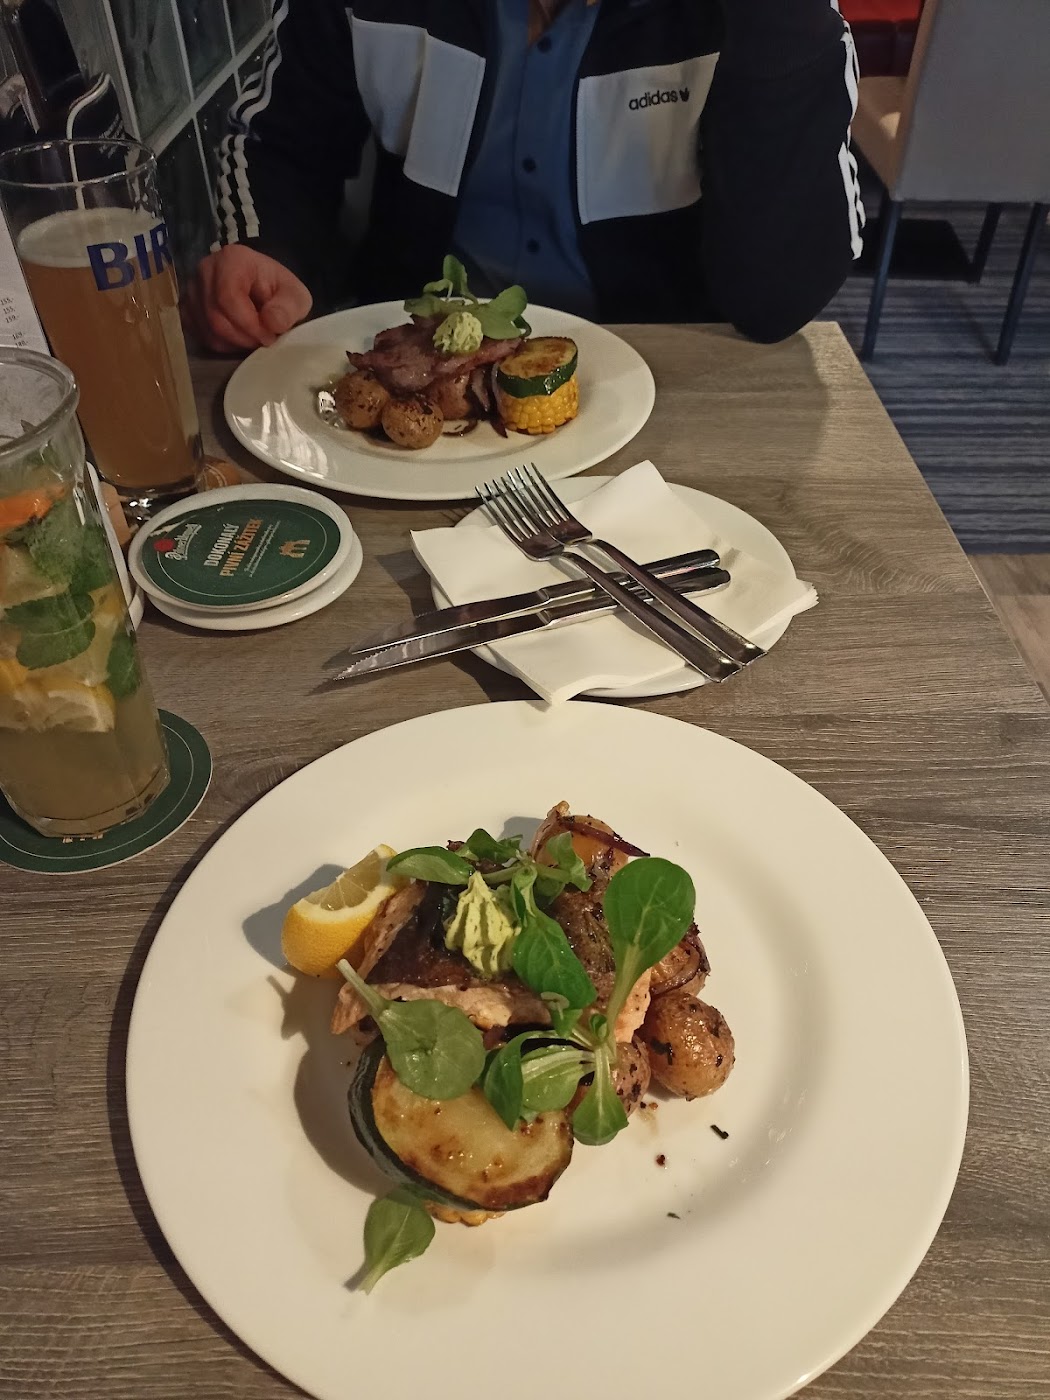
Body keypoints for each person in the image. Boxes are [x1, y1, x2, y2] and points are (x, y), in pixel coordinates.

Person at [186, 0, 865, 353]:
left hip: (671, 379)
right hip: (413, 367)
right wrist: (271, 250)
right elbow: (282, 145)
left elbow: (778, 299)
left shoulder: (778, 23)